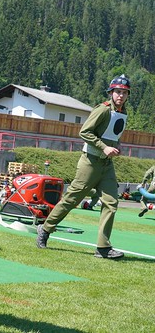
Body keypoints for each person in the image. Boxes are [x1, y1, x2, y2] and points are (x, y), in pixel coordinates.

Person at [37, 75, 130, 259]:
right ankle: (45, 229)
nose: (121, 95)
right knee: (71, 199)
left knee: (111, 203)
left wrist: (117, 146)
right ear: (111, 92)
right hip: (90, 162)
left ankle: (103, 248)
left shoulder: (123, 112)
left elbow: (113, 135)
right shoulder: (102, 110)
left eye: (124, 93)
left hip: (106, 164)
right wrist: (104, 147)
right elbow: (84, 132)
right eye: (118, 92)